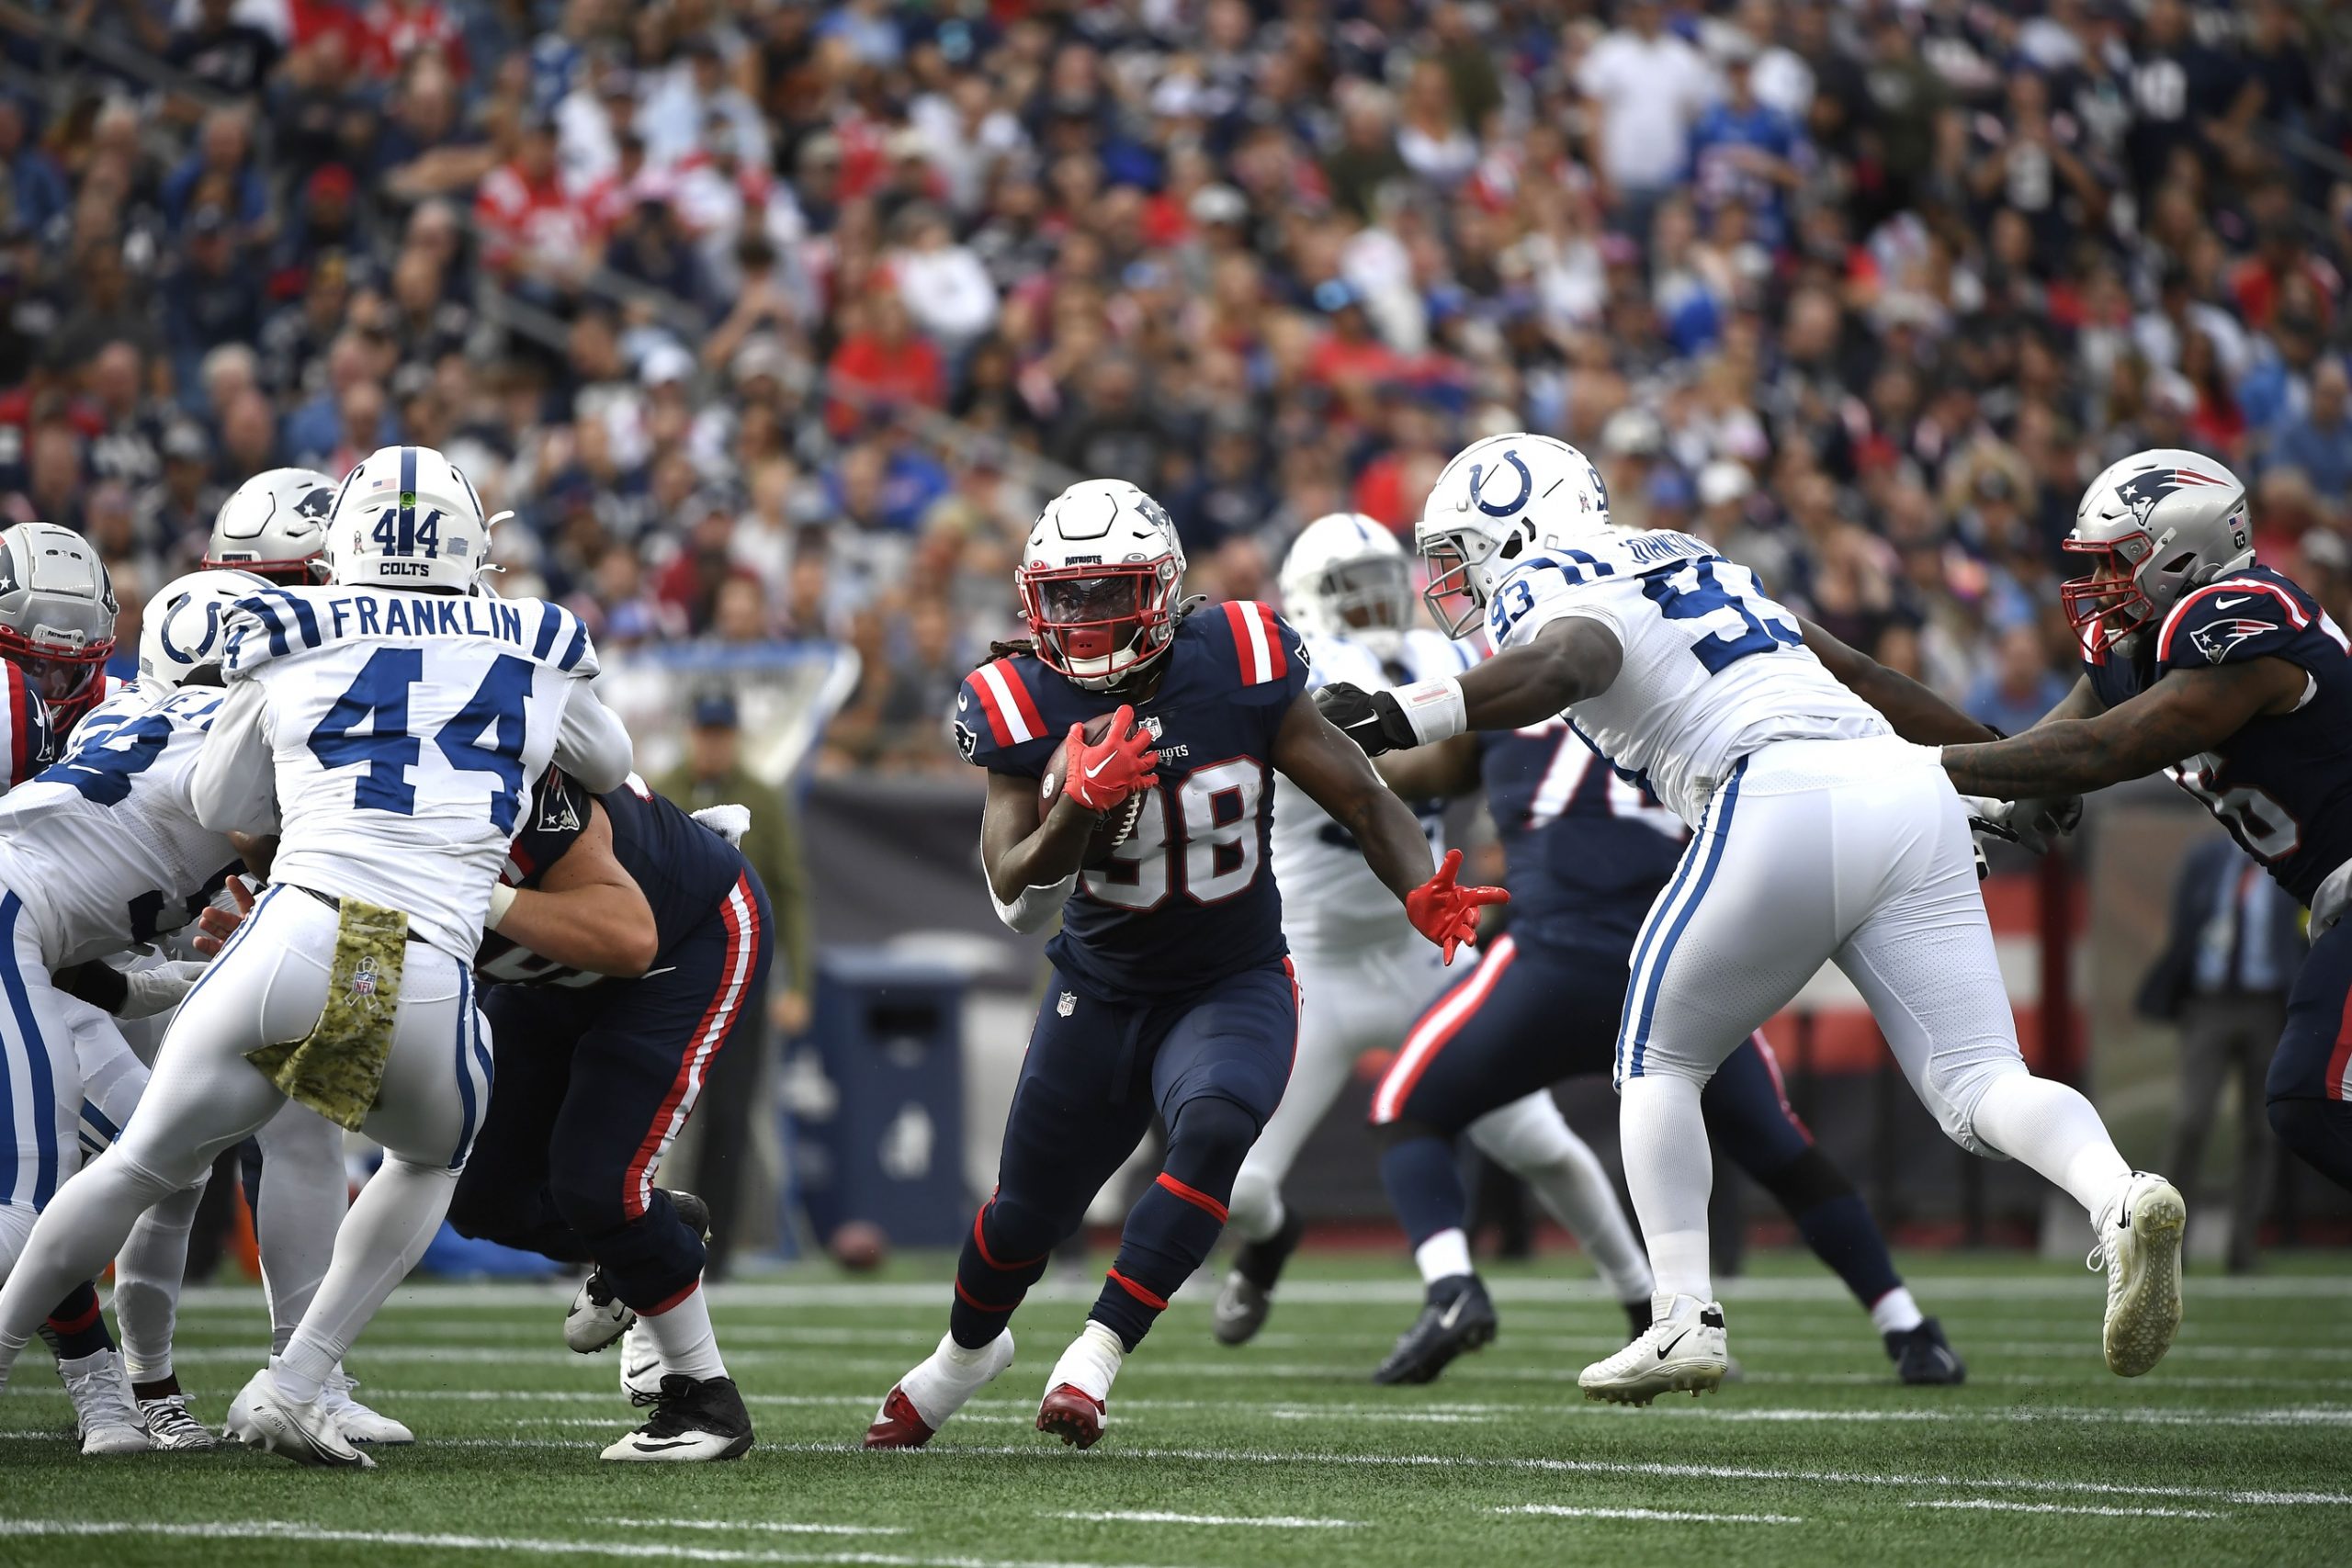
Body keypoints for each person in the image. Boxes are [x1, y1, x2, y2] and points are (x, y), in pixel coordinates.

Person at [1317, 433, 2181, 1404]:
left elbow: (1565, 664)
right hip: (1905, 785)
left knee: (1656, 1060)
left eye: (1463, 549)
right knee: (1981, 1080)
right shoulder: (1689, 553)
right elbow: (1859, 673)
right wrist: (1997, 753)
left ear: (1517, 530)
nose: (1456, 578)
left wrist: (1399, 713)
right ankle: (2119, 1197)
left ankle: (1681, 1316)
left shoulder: (1552, 580)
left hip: (1773, 788)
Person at [0, 445, 636, 1469]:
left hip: (270, 921)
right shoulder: (529, 634)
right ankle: (267, 1381)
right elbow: (607, 761)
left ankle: (224, 1382)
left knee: (167, 1161)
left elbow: (225, 801)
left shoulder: (285, 627)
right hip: (363, 939)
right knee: (398, 1151)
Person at [863, 479, 1502, 1450]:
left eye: (1109, 592)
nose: (1084, 620)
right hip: (1100, 986)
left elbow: (1364, 797)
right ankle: (963, 1357)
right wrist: (1074, 807)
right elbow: (1011, 894)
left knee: (1210, 1130)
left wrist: (1419, 885)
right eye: (1065, 597)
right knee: (1024, 1216)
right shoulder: (1016, 698)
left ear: (1162, 589)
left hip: (1230, 976)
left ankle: (1096, 1356)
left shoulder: (1239, 657)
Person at [1365, 719, 1964, 1386]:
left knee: (1406, 1106)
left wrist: (1326, 741)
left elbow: (1411, 770)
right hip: (1674, 968)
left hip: (1548, 967)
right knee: (1783, 1152)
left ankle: (1452, 1287)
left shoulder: (1508, 699)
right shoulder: (1681, 706)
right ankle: (1907, 1327)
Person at [1216, 513, 1650, 1356]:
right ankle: (1271, 1240)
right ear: (1307, 599)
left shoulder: (1444, 658)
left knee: (1542, 1142)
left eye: (1385, 580)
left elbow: (1504, 748)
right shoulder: (1287, 673)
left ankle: (1645, 1304)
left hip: (1427, 952)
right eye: (1351, 588)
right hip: (1314, 961)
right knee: (1234, 1185)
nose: (1376, 602)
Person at [1933, 449, 2352, 1196]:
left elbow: (2099, 749)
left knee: (2307, 1097)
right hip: (2334, 896)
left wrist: (1926, 766)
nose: (2097, 586)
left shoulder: (2242, 614)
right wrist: (1961, 810)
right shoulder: (2141, 645)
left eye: (2115, 563)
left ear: (2183, 553)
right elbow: (2039, 758)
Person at [107, 469, 414, 1450]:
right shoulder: (261, 645)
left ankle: (304, 1370)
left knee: (309, 1133)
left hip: (324, 901)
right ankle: (135, 1381)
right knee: (171, 1159)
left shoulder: (327, 640)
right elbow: (217, 804)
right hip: (200, 908)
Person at [434, 762, 770, 1461]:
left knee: (600, 1182)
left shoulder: (505, 775)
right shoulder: (338, 817)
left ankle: (704, 1398)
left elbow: (627, 935)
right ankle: (658, 1235)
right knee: (478, 1196)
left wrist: (480, 900)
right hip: (553, 964)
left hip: (679, 940)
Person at [0, 566, 260, 1453]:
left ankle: (120, 1390)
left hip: (35, 949)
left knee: (160, 1156)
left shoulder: (120, 717)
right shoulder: (238, 752)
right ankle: (103, 1385)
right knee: (26, 1204)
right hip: (11, 926)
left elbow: (93, 968)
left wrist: (179, 984)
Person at [650, 686, 814, 1279]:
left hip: (742, 977)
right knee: (649, 1106)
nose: (713, 744)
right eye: (705, 732)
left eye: (722, 733)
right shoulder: (660, 788)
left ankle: (711, 1249)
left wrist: (798, 984)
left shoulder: (764, 800)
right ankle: (639, 1233)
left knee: (731, 1112)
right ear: (693, 733)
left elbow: (791, 894)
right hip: (668, 979)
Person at [2138, 833, 2303, 1272]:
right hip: (2209, 1004)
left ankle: (2242, 1247)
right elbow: (2184, 931)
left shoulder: (2289, 862)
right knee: (2190, 1122)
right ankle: (2170, 1249)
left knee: (2260, 1130)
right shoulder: (2205, 859)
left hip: (2269, 1006)